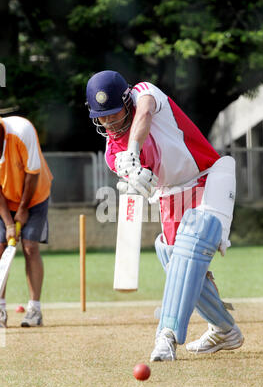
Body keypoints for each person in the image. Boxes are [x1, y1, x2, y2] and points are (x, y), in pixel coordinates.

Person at [86, 70, 244, 361]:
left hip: (208, 174)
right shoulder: (111, 153)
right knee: (171, 255)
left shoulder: (144, 93)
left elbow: (145, 115)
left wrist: (133, 151)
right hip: (171, 193)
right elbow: (143, 177)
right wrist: (136, 176)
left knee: (195, 236)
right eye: (102, 116)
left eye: (114, 113)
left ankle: (166, 336)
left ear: (127, 100)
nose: (109, 122)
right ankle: (224, 330)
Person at [0, 115, 53, 328]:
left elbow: (33, 174)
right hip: (5, 200)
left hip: (35, 195)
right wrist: (9, 223)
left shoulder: (22, 130)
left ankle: (34, 310)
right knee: (0, 247)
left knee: (30, 247)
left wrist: (22, 211)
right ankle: (0, 308)